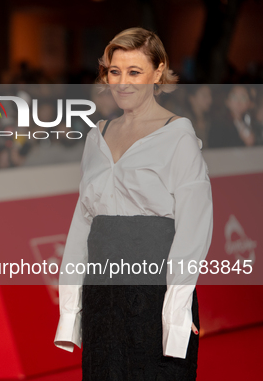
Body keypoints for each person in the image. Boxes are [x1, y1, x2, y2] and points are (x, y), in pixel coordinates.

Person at [54, 27, 213, 380]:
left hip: (155, 294)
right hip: (102, 298)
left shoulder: (178, 137)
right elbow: (82, 225)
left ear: (158, 72)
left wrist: (174, 314)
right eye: (115, 71)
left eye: (134, 72)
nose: (122, 82)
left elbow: (193, 231)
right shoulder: (97, 137)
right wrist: (70, 311)